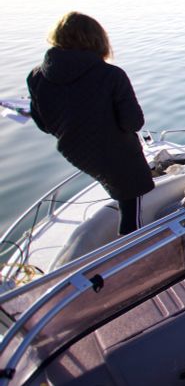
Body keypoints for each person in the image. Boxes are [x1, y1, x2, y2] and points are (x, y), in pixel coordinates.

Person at [26, 12, 154, 235]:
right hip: (116, 155)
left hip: (76, 152)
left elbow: (44, 124)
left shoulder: (37, 76)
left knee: (118, 188)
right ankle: (132, 253)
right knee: (131, 208)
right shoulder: (111, 75)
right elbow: (132, 122)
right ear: (97, 39)